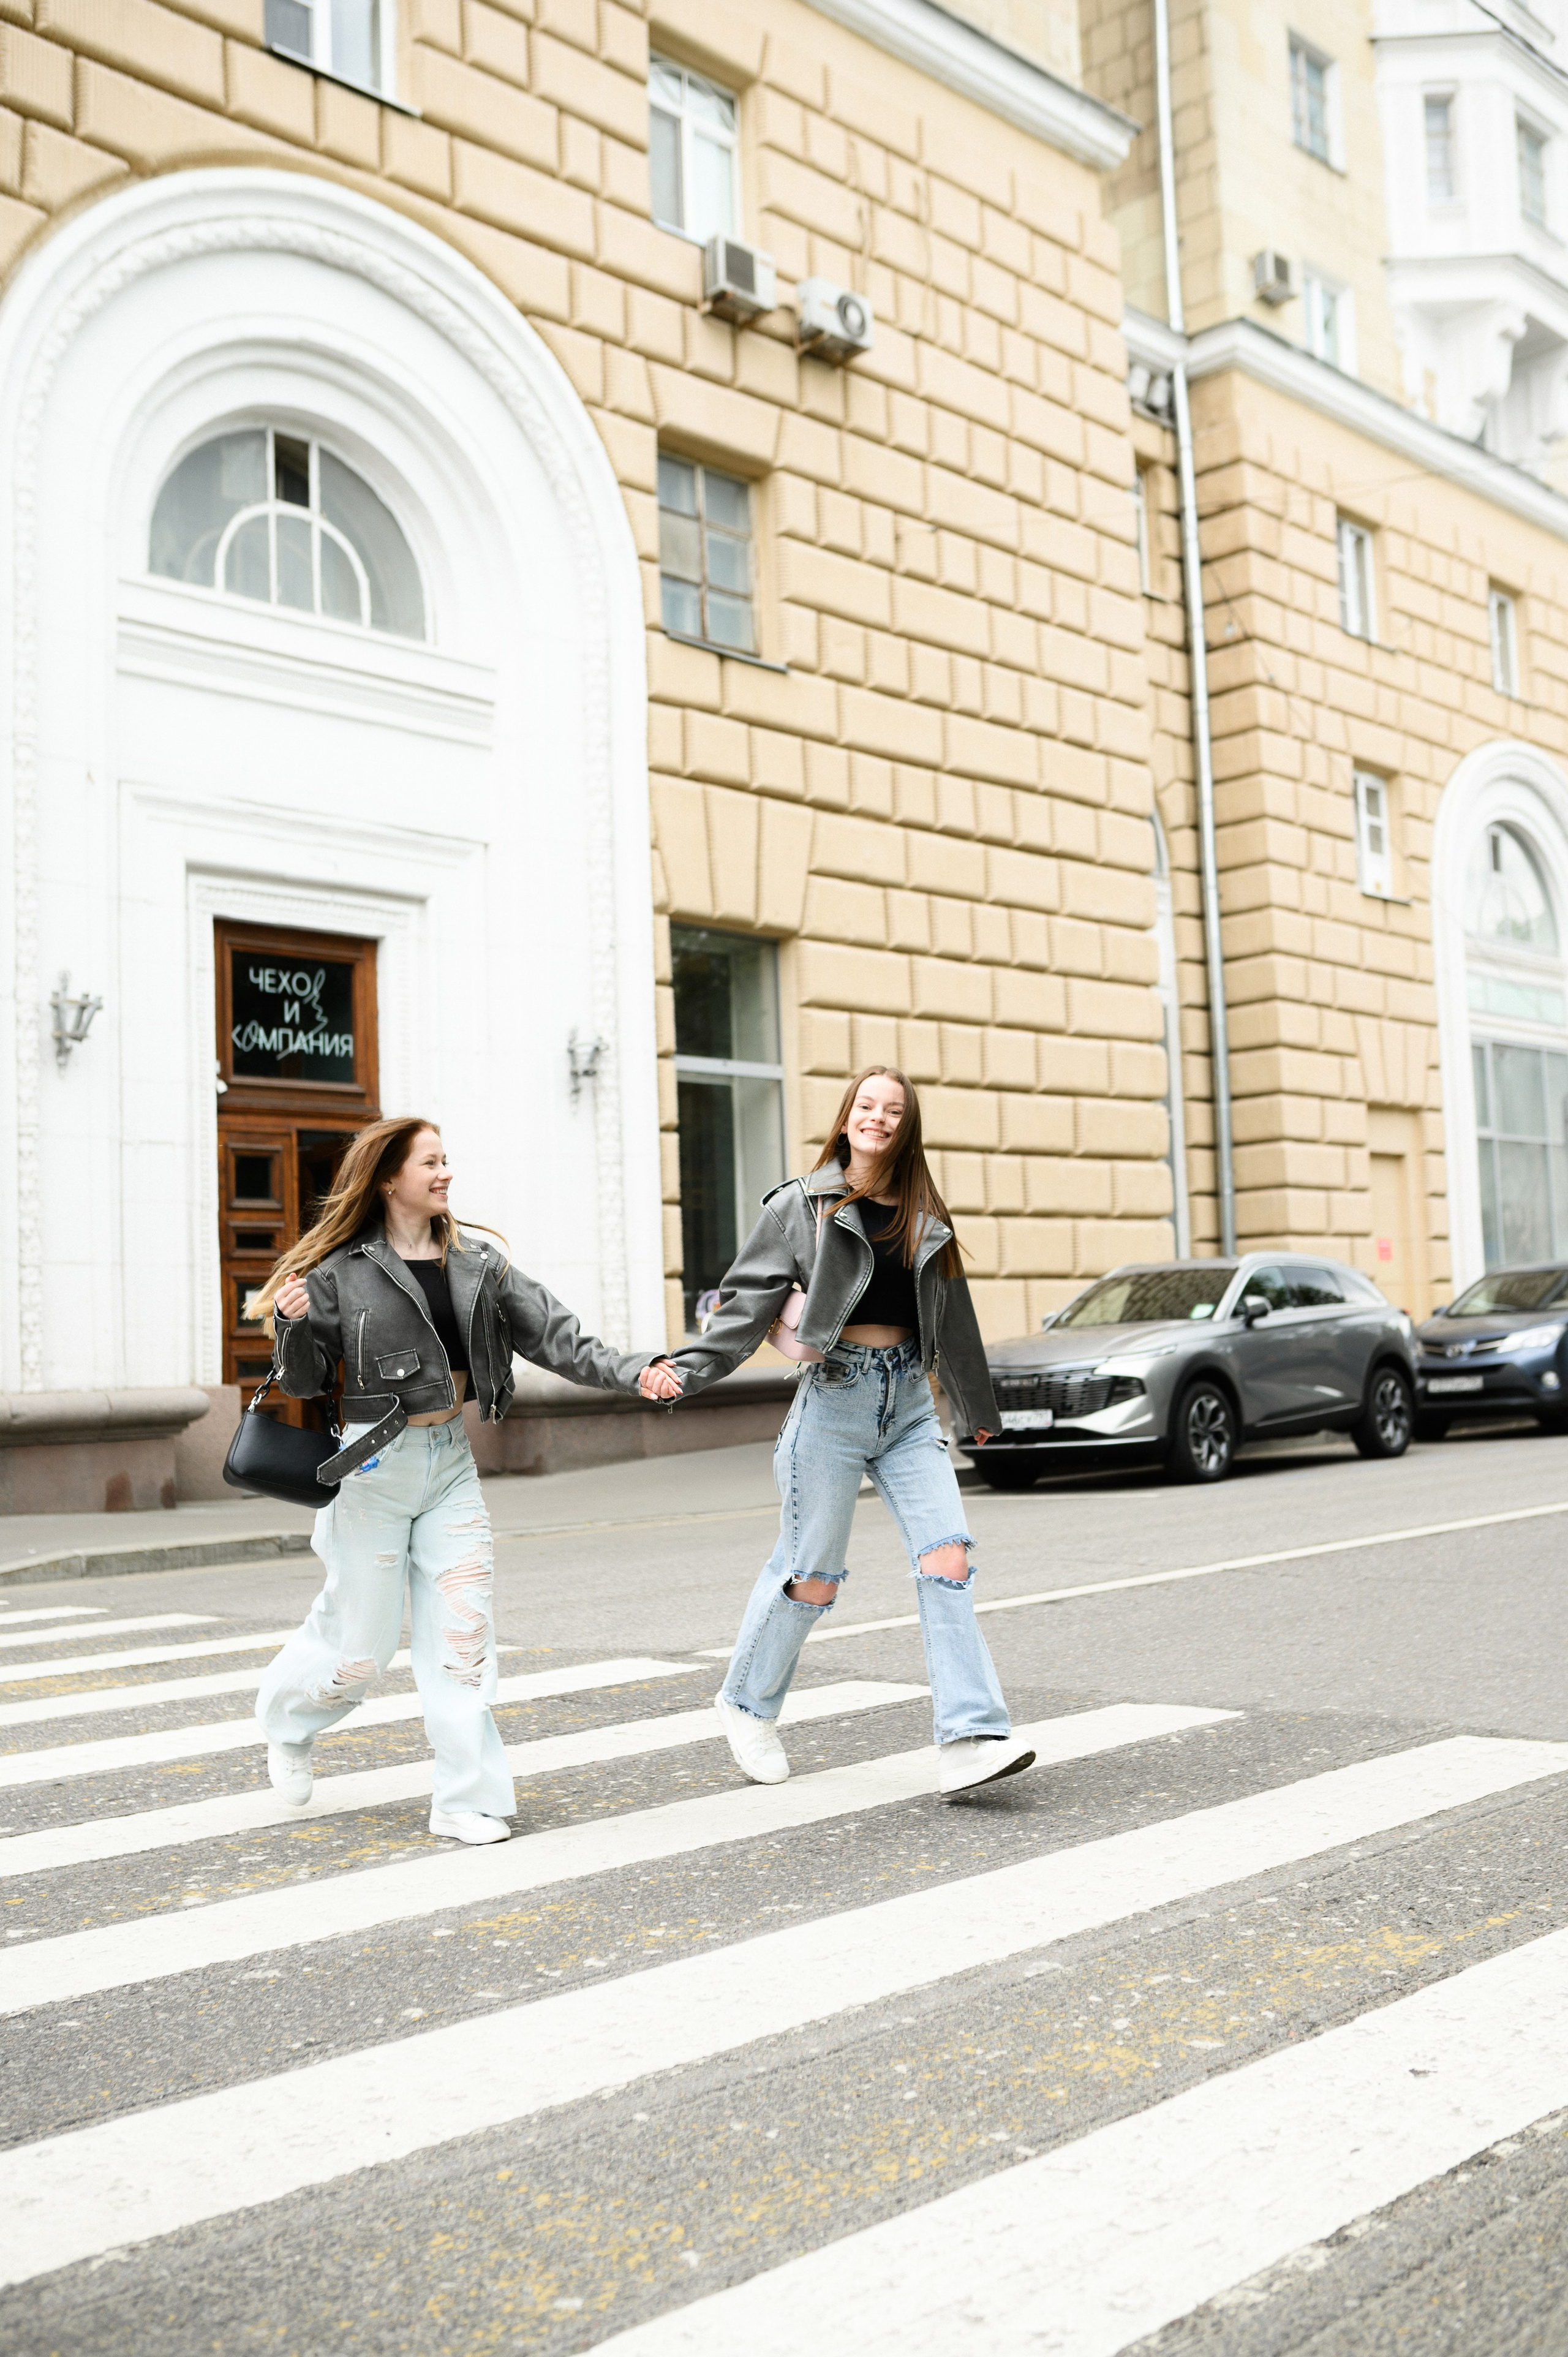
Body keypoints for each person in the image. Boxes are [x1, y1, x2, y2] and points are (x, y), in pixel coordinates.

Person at [253, 1115, 682, 1844]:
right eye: (430, 1161)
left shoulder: (479, 1264)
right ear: (390, 1178)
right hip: (371, 1468)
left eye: (447, 1159)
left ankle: (462, 1798)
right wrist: (293, 1323)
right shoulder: (341, 1272)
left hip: (450, 1464)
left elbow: (559, 1337)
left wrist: (636, 1371)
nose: (445, 1172)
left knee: (462, 1639)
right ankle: (289, 1725)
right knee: (360, 1649)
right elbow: (301, 1380)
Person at [670, 1066, 1036, 1798]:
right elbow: (745, 1304)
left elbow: (952, 1320)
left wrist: (978, 1410)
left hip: (907, 1403)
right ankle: (744, 1702)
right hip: (833, 1404)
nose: (878, 1117)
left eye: (892, 1109)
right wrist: (685, 1370)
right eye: (866, 1105)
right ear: (846, 1117)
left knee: (950, 1558)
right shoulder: (798, 1205)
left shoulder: (927, 1215)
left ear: (906, 1126)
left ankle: (969, 1738)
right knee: (811, 1575)